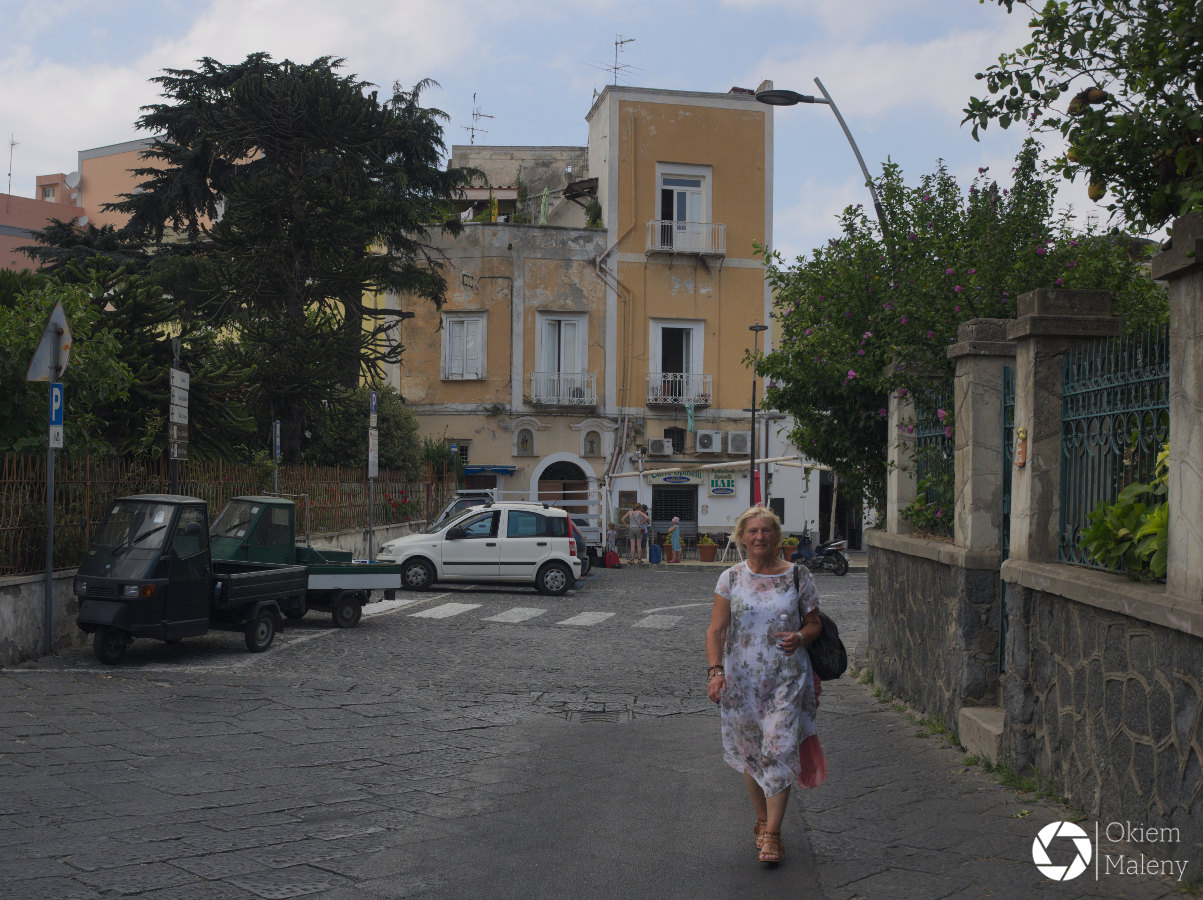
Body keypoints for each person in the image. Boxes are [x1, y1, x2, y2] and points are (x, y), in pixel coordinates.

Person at [705, 506, 825, 864]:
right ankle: (761, 819)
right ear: (742, 537)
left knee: (778, 748)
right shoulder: (730, 578)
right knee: (752, 752)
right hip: (741, 683)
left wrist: (800, 637)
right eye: (753, 531)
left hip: (787, 680)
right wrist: (715, 671)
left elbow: (814, 624)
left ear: (777, 536)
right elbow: (716, 630)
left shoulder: (798, 575)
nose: (760, 536)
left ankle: (773, 834)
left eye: (766, 530)